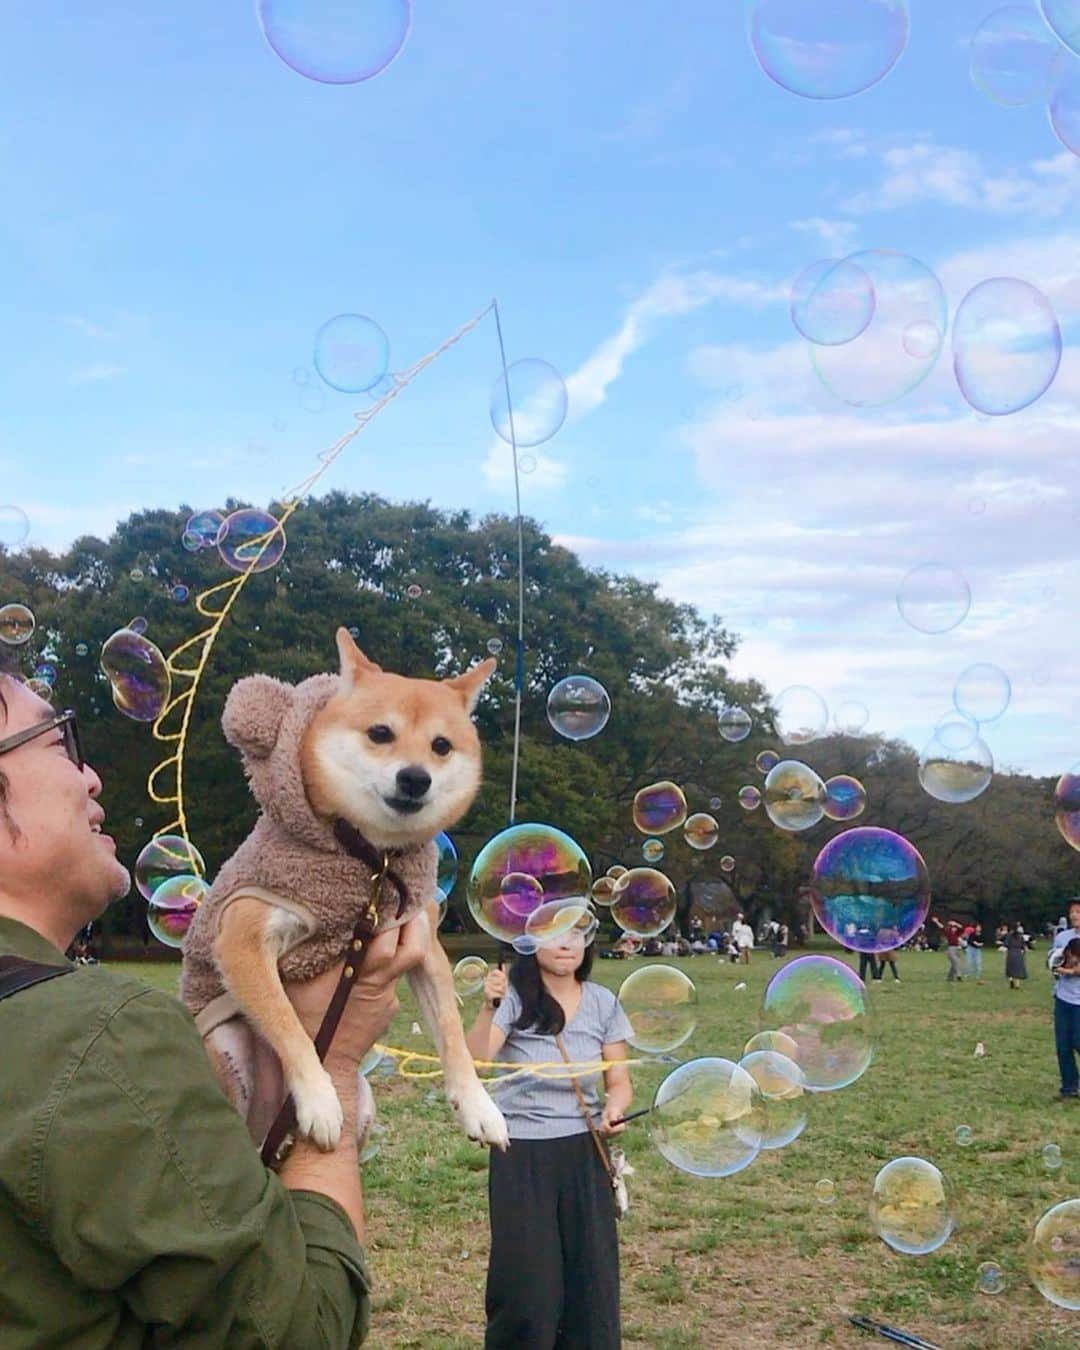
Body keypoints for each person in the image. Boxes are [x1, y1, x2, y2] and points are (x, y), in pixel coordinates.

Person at [0, 658, 430, 1347]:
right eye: (59, 743)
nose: (91, 775)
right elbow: (300, 1334)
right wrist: (337, 1062)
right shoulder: (98, 1039)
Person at [467, 932, 633, 1349]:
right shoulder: (516, 999)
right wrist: (490, 1006)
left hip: (585, 1152)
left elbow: (619, 1079)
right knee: (527, 1280)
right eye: (555, 934)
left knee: (590, 1277)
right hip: (522, 1152)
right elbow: (476, 1062)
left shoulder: (603, 1002)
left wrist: (615, 1108)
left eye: (577, 932)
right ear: (529, 943)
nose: (567, 943)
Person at [1049, 898, 1080, 1100]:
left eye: (1078, 911)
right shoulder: (1063, 937)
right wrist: (1062, 970)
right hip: (1063, 998)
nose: (1074, 915)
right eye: (1072, 911)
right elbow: (1052, 961)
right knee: (1063, 1045)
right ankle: (1069, 1087)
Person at [1005, 922, 1028, 989]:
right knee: (1018, 969)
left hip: (1011, 952)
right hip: (1018, 953)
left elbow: (1006, 945)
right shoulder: (1020, 936)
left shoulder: (1009, 935)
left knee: (1010, 969)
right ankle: (1017, 985)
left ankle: (1011, 980)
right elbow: (1024, 946)